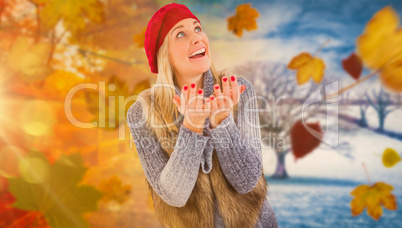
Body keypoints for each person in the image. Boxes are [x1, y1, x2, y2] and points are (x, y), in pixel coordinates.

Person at [126, 3, 278, 228]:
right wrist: (192, 127)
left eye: (197, 28)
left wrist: (222, 122)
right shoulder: (142, 113)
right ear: (163, 55)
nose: (197, 37)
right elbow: (174, 196)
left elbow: (247, 181)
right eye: (181, 33)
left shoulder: (237, 90)